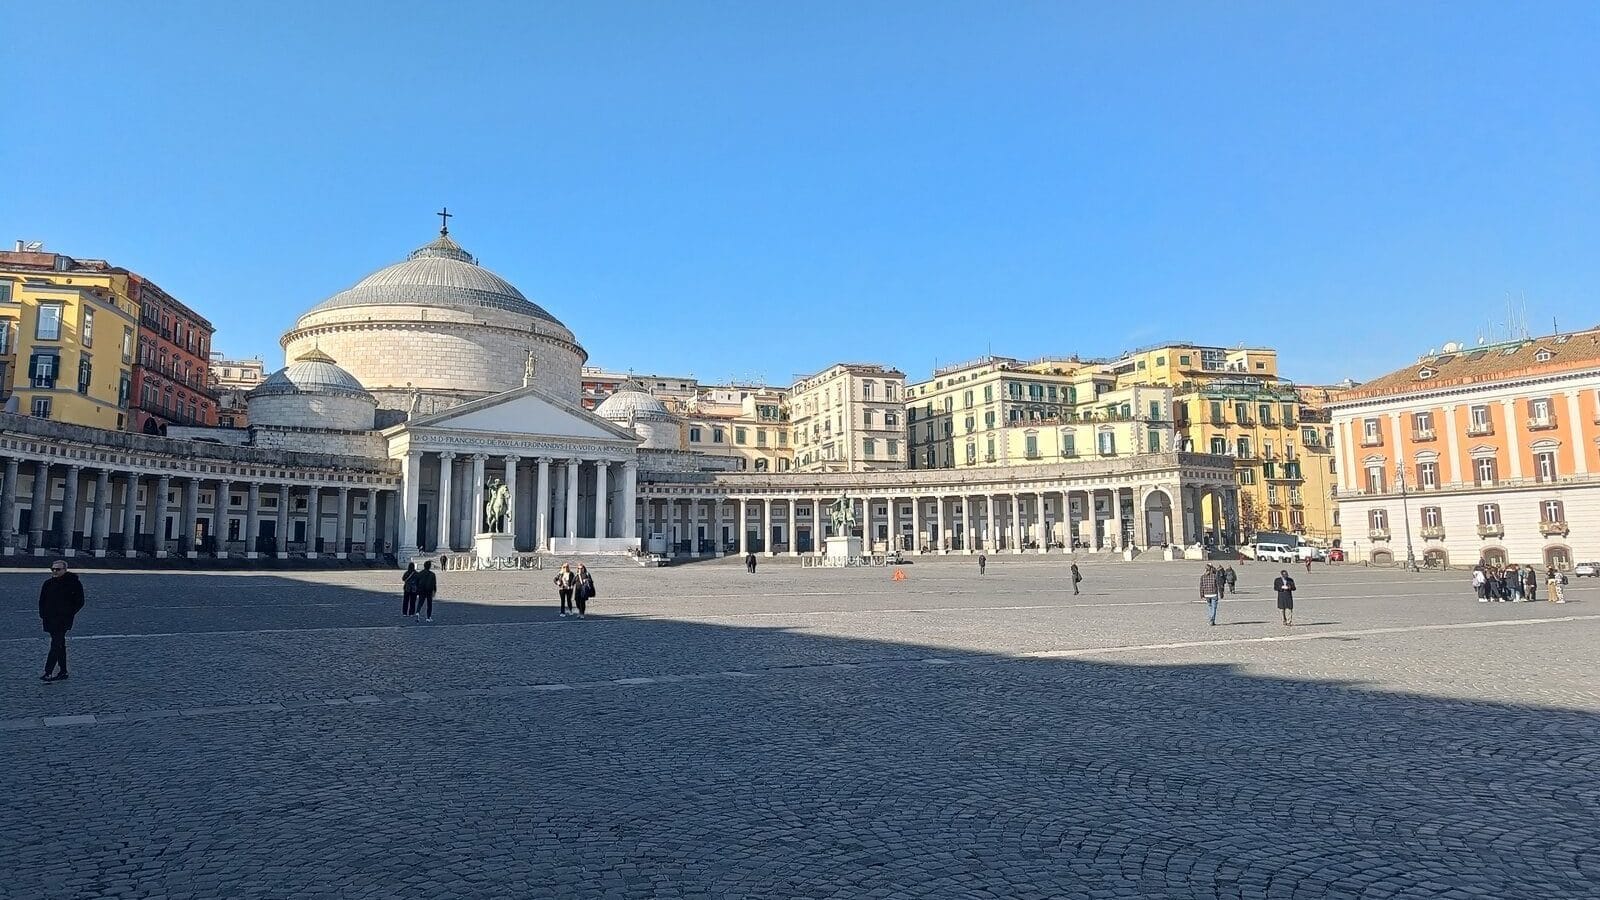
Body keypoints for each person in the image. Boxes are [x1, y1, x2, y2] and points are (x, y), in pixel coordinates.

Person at [39, 560, 85, 682]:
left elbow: (80, 601)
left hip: (63, 620)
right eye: (53, 569)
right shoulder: (48, 583)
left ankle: (48, 672)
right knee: (60, 644)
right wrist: (43, 615)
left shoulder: (73, 583)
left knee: (55, 644)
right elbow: (42, 601)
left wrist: (69, 613)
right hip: (49, 619)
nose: (54, 571)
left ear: (65, 570)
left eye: (58, 569)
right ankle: (63, 671)